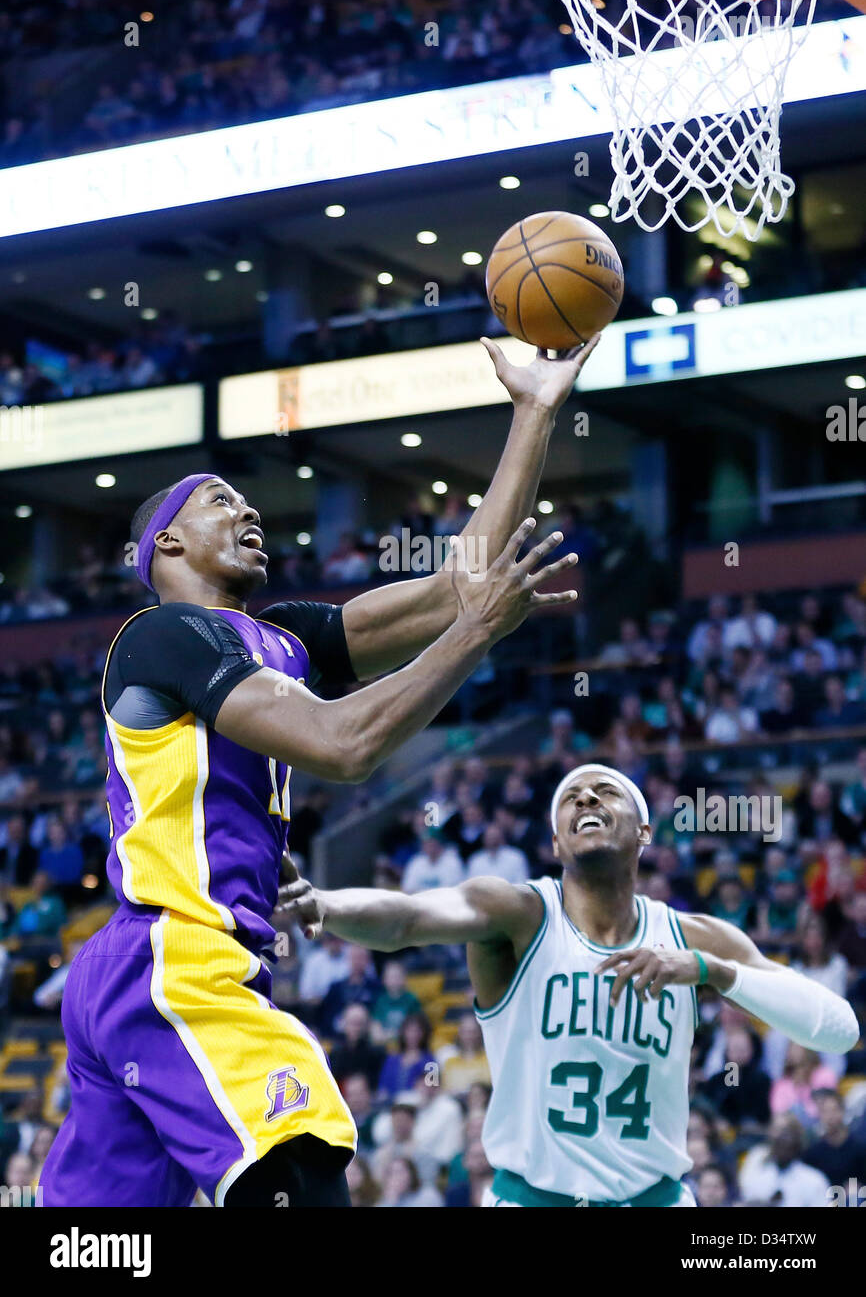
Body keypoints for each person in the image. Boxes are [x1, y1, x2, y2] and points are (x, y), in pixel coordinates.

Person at [40, 335, 599, 1210]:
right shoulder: (164, 635)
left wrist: (533, 410)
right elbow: (345, 744)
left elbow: (458, 585)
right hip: (168, 959)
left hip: (148, 970)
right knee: (303, 1170)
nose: (248, 511)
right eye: (222, 502)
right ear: (168, 547)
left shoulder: (280, 638)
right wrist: (477, 634)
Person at [280, 763, 859, 1207]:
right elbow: (406, 917)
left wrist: (713, 971)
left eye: (606, 791)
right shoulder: (518, 914)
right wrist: (324, 902)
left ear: (644, 832)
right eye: (570, 797)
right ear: (555, 845)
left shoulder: (691, 936)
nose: (586, 797)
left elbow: (839, 1029)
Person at [738, 1114, 831, 1207]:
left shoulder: (814, 1181)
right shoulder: (756, 1167)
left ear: (797, 1140)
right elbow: (745, 1197)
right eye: (777, 1131)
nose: (781, 1138)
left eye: (786, 1132)